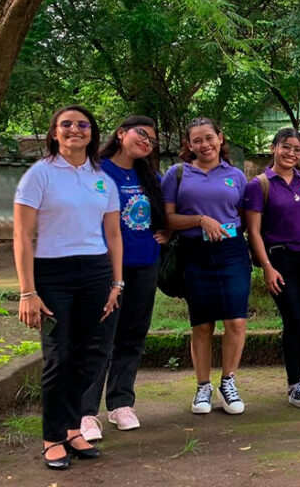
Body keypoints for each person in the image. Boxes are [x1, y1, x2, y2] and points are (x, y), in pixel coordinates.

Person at [14, 105, 123, 469]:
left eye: (83, 124)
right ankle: (52, 437)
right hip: (52, 273)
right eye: (66, 124)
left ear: (92, 132)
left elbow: (112, 234)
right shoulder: (39, 176)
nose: (75, 129)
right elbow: (23, 235)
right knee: (58, 357)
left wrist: (115, 282)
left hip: (95, 271)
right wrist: (28, 292)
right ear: (54, 132)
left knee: (89, 355)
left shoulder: (102, 179)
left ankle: (74, 427)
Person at [79, 116, 166, 441]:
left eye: (152, 140)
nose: (146, 142)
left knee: (133, 334)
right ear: (121, 133)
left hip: (144, 264)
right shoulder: (95, 170)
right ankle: (86, 412)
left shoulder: (149, 175)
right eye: (141, 134)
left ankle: (121, 403)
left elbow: (161, 213)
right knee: (99, 336)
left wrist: (166, 233)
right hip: (103, 267)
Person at [162, 117, 251, 416]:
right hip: (194, 252)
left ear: (220, 138)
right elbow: (168, 219)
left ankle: (228, 382)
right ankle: (203, 386)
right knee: (202, 324)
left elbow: (241, 214)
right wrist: (200, 220)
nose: (205, 145)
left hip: (232, 251)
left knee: (236, 321)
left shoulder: (236, 175)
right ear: (189, 144)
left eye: (209, 138)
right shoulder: (176, 175)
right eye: (197, 140)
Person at [245, 128, 300, 408]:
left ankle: (299, 377)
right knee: (295, 318)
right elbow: (253, 231)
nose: (291, 153)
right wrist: (266, 266)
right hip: (280, 260)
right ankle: (293, 384)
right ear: (274, 147)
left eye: (298, 150)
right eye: (286, 147)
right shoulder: (260, 184)